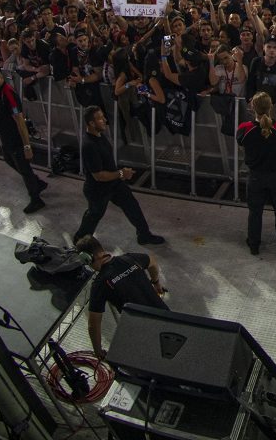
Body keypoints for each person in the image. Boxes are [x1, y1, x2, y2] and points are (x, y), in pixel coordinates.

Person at [75, 105, 165, 245]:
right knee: (94, 215)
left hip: (114, 184)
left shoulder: (99, 135)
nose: (104, 120)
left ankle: (144, 235)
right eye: (100, 119)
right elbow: (98, 176)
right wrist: (122, 173)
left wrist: (119, 175)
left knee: (132, 206)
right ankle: (79, 241)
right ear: (91, 123)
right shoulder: (89, 145)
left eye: (103, 117)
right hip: (98, 190)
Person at [76, 234, 168, 360]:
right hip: (168, 319)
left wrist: (98, 351)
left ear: (87, 258)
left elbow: (94, 324)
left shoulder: (100, 284)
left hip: (143, 335)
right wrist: (156, 283)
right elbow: (152, 261)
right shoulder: (130, 258)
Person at [236, 91, 276, 257]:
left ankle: (254, 244)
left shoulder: (244, 129)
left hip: (255, 176)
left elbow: (240, 142)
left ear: (252, 108)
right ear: (271, 107)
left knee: (255, 212)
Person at [0, 66, 48, 214]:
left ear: (1, 77)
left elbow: (19, 120)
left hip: (16, 139)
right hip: (6, 137)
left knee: (24, 169)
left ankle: (36, 199)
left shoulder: (8, 93)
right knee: (9, 159)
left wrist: (27, 146)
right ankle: (37, 183)